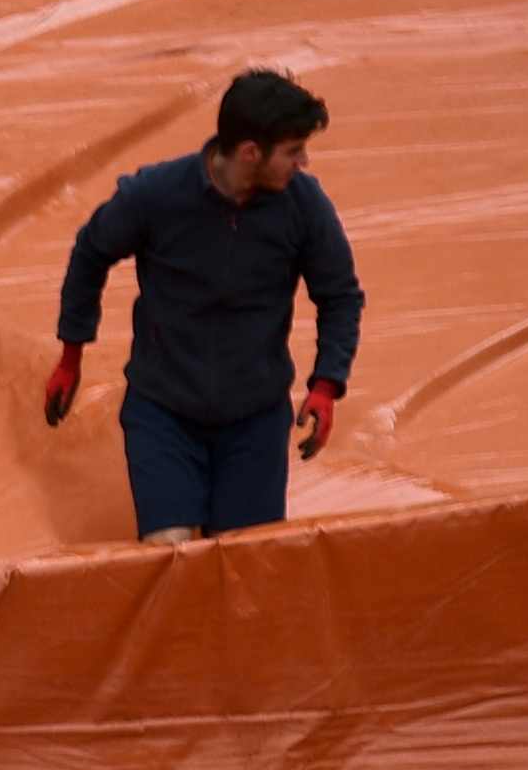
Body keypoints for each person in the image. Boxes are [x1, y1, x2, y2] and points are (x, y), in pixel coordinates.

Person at [46, 69, 365, 546]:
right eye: (293, 150)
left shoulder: (304, 205)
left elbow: (340, 295)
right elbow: (92, 250)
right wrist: (71, 354)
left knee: (243, 566)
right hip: (164, 412)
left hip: (254, 418)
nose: (304, 161)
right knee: (169, 553)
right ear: (251, 152)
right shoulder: (155, 195)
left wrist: (326, 384)